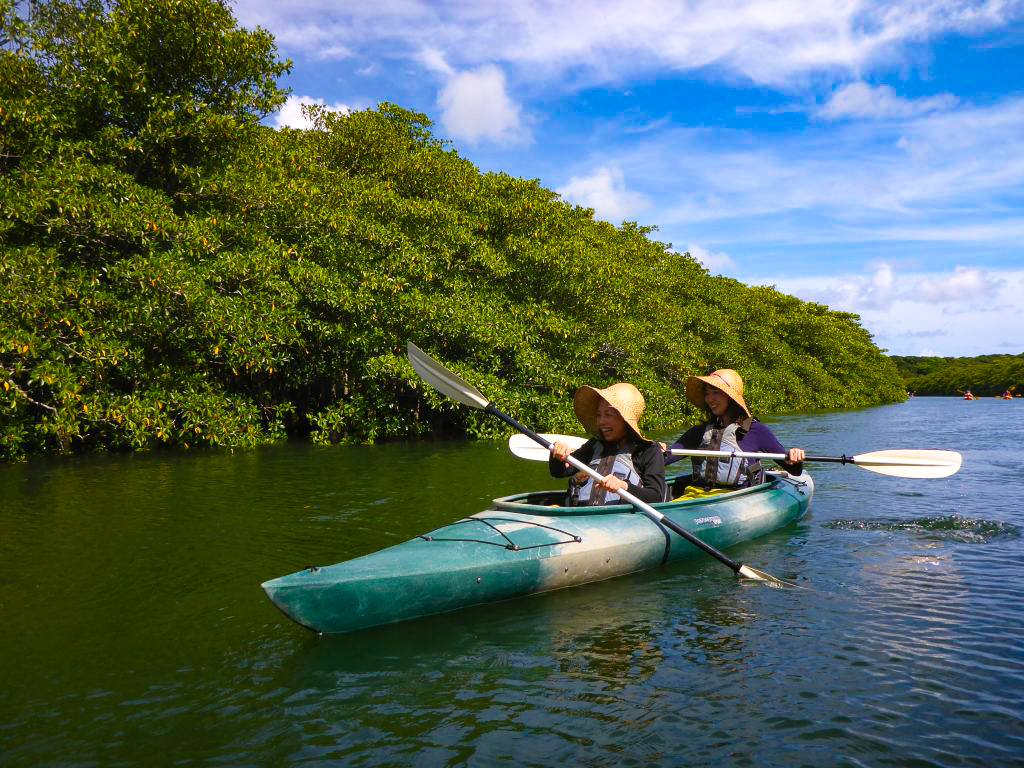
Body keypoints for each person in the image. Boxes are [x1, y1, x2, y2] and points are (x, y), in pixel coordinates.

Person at [662, 369, 805, 489]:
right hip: (699, 496)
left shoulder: (757, 431)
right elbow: (666, 458)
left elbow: (794, 470)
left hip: (737, 498)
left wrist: (795, 456)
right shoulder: (699, 432)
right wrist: (656, 450)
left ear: (731, 397)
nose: (710, 399)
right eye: (707, 393)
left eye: (716, 392)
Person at [549, 383, 667, 506]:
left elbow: (656, 496)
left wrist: (624, 486)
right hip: (580, 516)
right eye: (599, 415)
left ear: (625, 420)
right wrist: (557, 455)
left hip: (621, 519)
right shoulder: (593, 446)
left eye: (608, 415)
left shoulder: (648, 450)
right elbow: (559, 472)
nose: (601, 422)